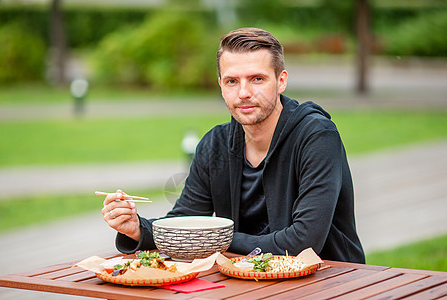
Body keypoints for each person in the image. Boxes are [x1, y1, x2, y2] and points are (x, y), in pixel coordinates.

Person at [102, 27, 365, 263]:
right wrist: (137, 228)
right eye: (232, 81)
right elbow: (184, 223)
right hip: (247, 279)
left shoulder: (317, 136)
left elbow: (303, 243)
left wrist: (215, 238)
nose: (243, 93)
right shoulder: (214, 145)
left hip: (332, 282)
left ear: (281, 81)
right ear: (221, 85)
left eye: (257, 79)